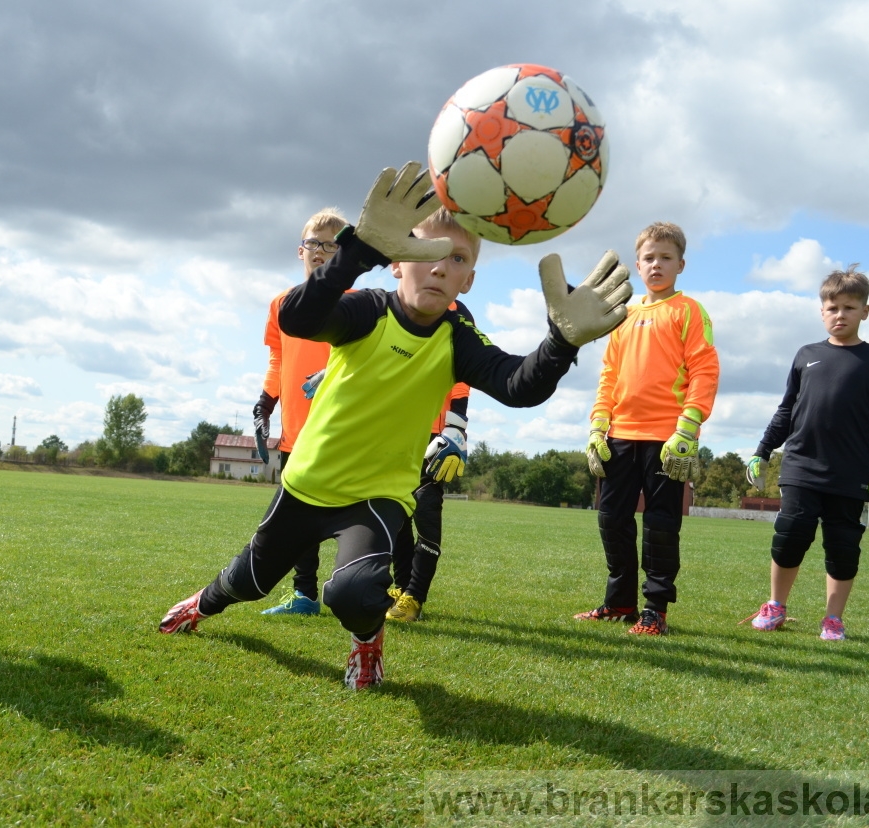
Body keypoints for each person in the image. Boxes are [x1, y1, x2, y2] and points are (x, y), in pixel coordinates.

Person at [160, 161, 632, 689]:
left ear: (469, 280)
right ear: (397, 263)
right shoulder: (368, 311)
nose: (440, 269)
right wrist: (356, 252)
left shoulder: (456, 335)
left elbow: (517, 385)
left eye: (457, 259)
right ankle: (201, 604)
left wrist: (561, 342)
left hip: (377, 498)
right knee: (248, 581)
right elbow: (298, 318)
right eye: (427, 253)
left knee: (353, 592)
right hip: (308, 485)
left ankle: (367, 644)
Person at [743, 266, 869, 641]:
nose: (840, 315)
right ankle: (776, 606)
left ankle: (833, 620)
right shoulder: (807, 355)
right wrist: (762, 451)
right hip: (801, 465)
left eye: (849, 307)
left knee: (843, 546)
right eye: (833, 308)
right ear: (822, 311)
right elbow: (786, 410)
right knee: (790, 534)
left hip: (852, 471)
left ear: (865, 311)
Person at [576, 221, 719, 636]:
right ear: (637, 265)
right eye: (649, 258)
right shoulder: (623, 315)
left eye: (666, 258)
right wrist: (597, 427)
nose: (657, 265)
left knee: (660, 526)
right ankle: (619, 602)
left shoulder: (689, 310)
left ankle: (655, 610)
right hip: (619, 436)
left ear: (681, 265)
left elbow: (705, 370)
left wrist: (688, 429)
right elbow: (609, 374)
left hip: (666, 440)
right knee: (611, 519)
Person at [254, 208, 348, 616]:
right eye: (314, 243)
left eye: (332, 245)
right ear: (300, 250)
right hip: (296, 429)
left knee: (359, 511)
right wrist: (264, 403)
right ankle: (305, 595)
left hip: (345, 429)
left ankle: (386, 590)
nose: (321, 250)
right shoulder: (281, 304)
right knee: (297, 517)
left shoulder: (359, 304)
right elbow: (278, 359)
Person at [386, 381, 470, 623]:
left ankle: (415, 596)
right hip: (394, 426)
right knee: (396, 509)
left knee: (425, 508)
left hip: (435, 432)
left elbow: (462, 378)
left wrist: (457, 427)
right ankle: (402, 588)